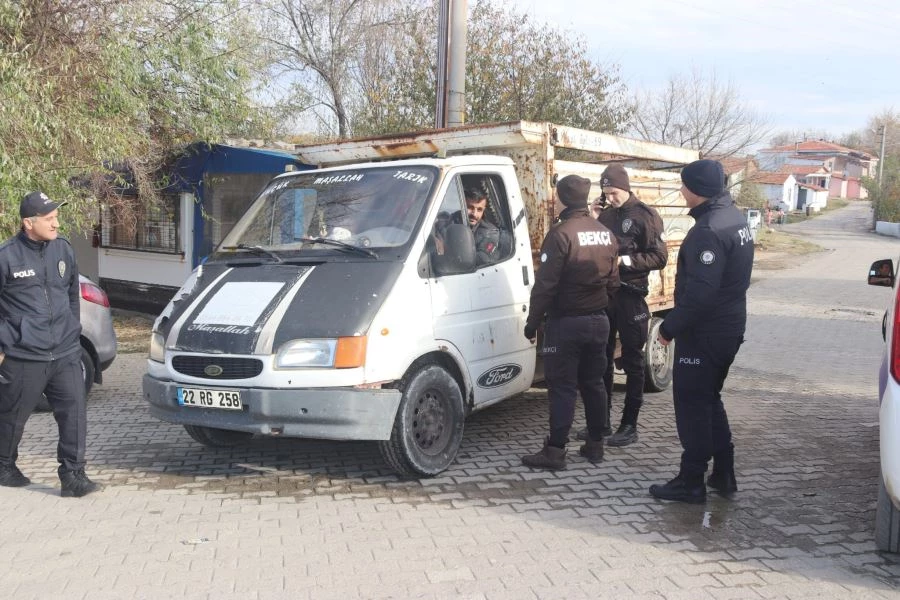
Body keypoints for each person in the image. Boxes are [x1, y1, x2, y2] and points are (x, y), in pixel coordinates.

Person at [649, 160, 754, 504]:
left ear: (697, 189)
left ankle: (690, 481)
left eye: (684, 185)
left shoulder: (709, 229)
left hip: (706, 334)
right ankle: (723, 473)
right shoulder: (735, 218)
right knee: (710, 400)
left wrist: (669, 328)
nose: (680, 191)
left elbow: (702, 294)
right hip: (729, 328)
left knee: (693, 404)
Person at [0, 192, 100, 497]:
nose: (56, 223)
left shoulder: (64, 249)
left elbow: (71, 293)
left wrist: (72, 328)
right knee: (11, 416)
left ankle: (73, 476)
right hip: (24, 353)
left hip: (66, 351)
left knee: (74, 412)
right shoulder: (6, 256)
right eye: (49, 218)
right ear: (28, 223)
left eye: (56, 216)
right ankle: (4, 465)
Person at [521, 175, 619, 470]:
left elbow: (545, 286)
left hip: (567, 324)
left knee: (562, 387)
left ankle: (555, 452)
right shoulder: (605, 233)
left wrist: (532, 322)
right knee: (594, 384)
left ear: (561, 198)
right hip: (598, 321)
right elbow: (615, 283)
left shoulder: (561, 234)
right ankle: (595, 445)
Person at [593, 164, 667, 447]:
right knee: (602, 358)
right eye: (606, 193)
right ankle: (601, 423)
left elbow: (659, 257)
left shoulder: (645, 215)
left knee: (634, 361)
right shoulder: (607, 214)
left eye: (613, 193)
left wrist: (625, 261)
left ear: (625, 188)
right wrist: (594, 216)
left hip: (632, 296)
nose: (610, 198)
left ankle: (629, 424)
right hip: (607, 295)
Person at [461, 187, 501, 266]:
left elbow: (482, 259)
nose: (474, 214)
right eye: (470, 207)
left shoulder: (490, 232)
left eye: (479, 210)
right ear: (462, 205)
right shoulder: (453, 219)